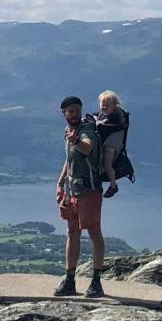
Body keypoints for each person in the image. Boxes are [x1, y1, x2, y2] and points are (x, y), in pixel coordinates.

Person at [54, 95, 106, 298]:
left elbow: (87, 147)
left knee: (94, 232)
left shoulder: (86, 130)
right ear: (64, 113)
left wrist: (75, 140)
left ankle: (96, 281)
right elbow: (69, 160)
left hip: (89, 191)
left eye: (77, 110)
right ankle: (70, 279)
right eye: (71, 111)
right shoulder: (68, 131)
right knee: (72, 232)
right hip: (73, 190)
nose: (74, 114)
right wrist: (60, 183)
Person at [95, 89, 127, 199]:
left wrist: (95, 121)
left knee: (107, 164)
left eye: (107, 105)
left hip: (111, 145)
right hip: (109, 144)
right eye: (102, 104)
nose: (104, 107)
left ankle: (113, 185)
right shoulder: (108, 114)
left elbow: (102, 125)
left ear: (114, 106)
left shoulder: (115, 117)